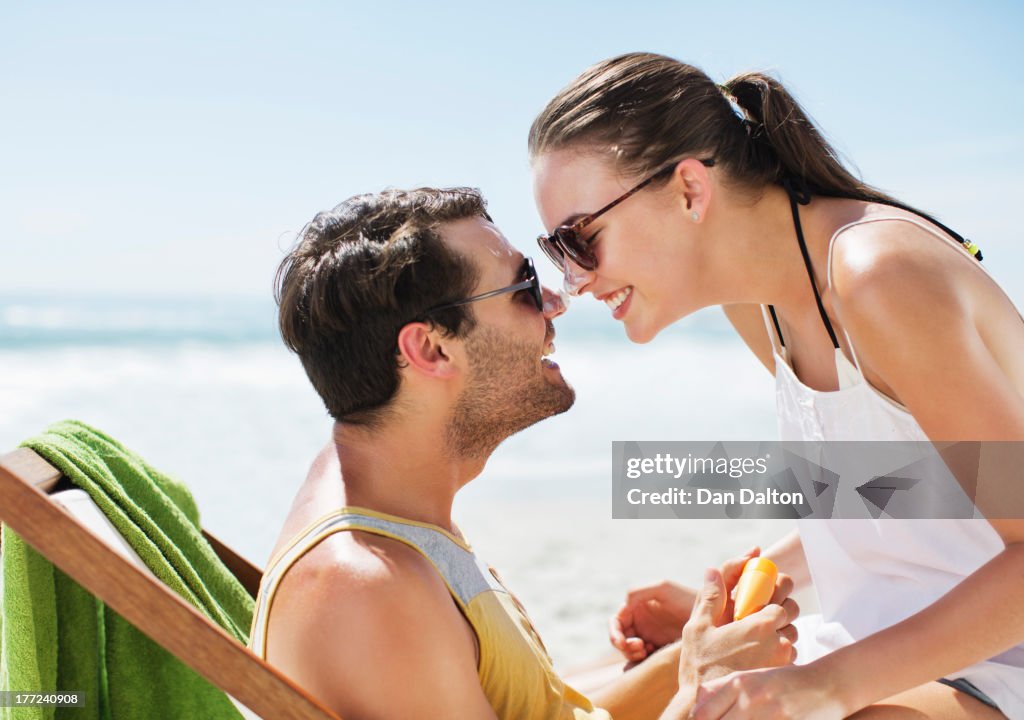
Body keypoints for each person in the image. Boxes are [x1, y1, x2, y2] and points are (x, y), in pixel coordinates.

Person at [529, 52, 1024, 719]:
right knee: (586, 687)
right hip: (881, 650)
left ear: (688, 190)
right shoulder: (756, 300)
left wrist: (827, 687)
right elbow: (890, 484)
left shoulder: (878, 277)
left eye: (580, 240)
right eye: (556, 252)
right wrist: (749, 590)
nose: (575, 280)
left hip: (995, 663)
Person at [249, 187, 799, 720]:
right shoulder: (368, 587)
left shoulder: (393, 511)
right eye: (526, 288)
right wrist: (701, 691)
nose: (558, 303)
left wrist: (700, 653)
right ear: (432, 348)